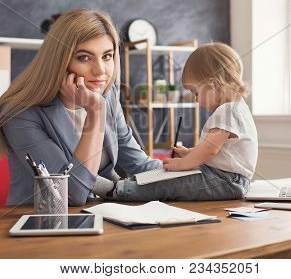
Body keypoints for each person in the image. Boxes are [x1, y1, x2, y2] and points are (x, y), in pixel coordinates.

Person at [0, 8, 162, 206]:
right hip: (45, 224)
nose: (100, 71)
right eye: (84, 57)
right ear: (59, 61)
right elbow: (71, 194)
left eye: (107, 56)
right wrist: (95, 112)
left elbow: (139, 164)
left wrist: (193, 167)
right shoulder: (20, 113)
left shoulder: (108, 95)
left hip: (104, 213)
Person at [107, 42, 258, 201]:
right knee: (170, 181)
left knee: (170, 184)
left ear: (213, 84)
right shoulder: (237, 108)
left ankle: (117, 189)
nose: (196, 100)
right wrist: (190, 153)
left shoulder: (227, 110)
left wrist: (182, 164)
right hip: (228, 179)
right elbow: (219, 152)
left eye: (196, 92)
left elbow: (210, 150)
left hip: (226, 180)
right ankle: (122, 186)